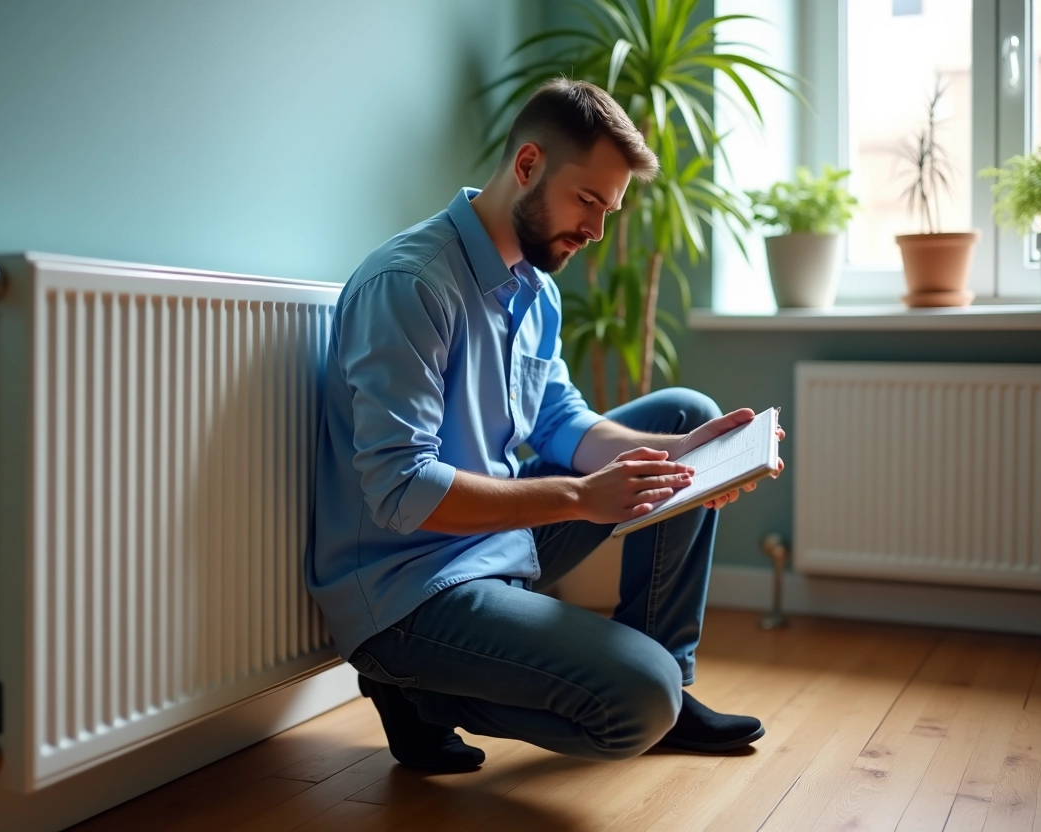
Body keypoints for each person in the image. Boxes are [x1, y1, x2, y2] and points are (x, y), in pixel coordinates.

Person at [306, 78, 785, 773]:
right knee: (638, 700)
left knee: (689, 414)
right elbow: (403, 490)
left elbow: (562, 424)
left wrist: (681, 452)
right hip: (409, 589)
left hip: (495, 543)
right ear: (528, 165)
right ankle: (413, 688)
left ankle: (670, 690)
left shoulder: (538, 291)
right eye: (587, 200)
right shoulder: (411, 285)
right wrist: (580, 498)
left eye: (608, 210)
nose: (596, 230)